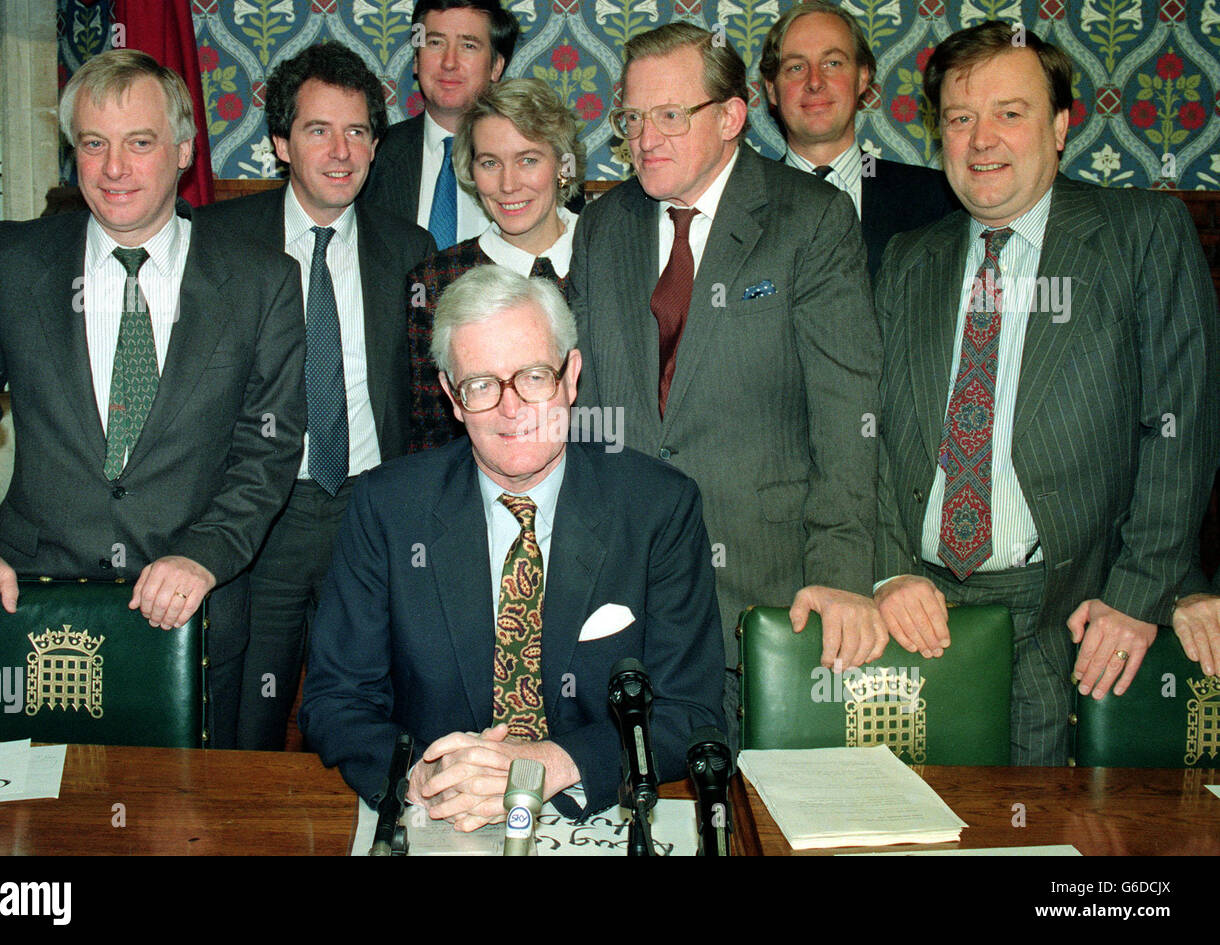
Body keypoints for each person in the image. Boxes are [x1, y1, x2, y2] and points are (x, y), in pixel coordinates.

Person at [873, 21, 1219, 764]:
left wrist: (1142, 592)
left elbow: (1180, 428)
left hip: (1069, 610)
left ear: (1061, 127)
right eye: (960, 119)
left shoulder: (1141, 235)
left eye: (1010, 112)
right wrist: (889, 564)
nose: (981, 139)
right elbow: (865, 432)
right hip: (919, 609)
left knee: (1042, 839)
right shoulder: (909, 260)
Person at [300, 265, 725, 827]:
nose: (510, 407)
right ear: (452, 397)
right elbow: (336, 700)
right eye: (481, 384)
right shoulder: (389, 507)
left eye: (533, 376)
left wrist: (551, 763)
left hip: (593, 811)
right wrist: (417, 775)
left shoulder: (657, 507)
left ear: (571, 377)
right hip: (441, 818)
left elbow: (692, 713)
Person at [0, 50, 305, 664]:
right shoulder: (10, 262)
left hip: (194, 610)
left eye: (140, 142)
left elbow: (271, 447)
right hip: (27, 603)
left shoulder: (265, 282)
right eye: (94, 144)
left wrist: (206, 553)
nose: (115, 168)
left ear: (184, 151)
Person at [569, 23, 884, 745]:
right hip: (624, 596)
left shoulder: (810, 219)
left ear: (731, 117)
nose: (644, 137)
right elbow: (583, 411)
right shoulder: (603, 225)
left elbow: (849, 416)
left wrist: (841, 576)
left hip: (764, 596)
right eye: (632, 118)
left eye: (670, 115)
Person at [197, 43, 434, 750]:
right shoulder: (216, 241)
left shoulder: (408, 247)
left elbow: (426, 404)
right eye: (317, 130)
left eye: (358, 131)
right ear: (279, 142)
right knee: (245, 720)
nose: (341, 151)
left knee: (373, 719)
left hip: (369, 515)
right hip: (257, 517)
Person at [407, 77, 585, 453]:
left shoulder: (611, 255)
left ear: (562, 166)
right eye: (490, 163)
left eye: (528, 160)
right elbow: (431, 435)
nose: (508, 185)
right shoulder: (435, 281)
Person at [758, 1, 957, 278]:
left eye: (833, 63)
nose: (815, 81)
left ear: (863, 77)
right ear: (771, 89)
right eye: (795, 67)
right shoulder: (739, 206)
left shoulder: (936, 199)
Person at [359, 0, 519, 250]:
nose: (449, 62)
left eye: (468, 45)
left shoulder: (535, 164)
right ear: (416, 59)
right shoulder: (370, 157)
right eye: (435, 43)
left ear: (496, 66)